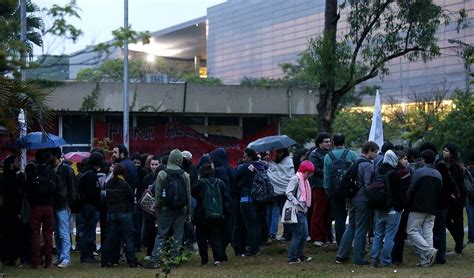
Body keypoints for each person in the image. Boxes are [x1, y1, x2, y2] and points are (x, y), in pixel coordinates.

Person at [145, 149, 192, 269]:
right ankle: (174, 259)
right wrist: (189, 212)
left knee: (161, 234)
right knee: (178, 234)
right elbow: (188, 195)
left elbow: (158, 194)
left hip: (165, 208)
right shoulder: (185, 175)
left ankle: (155, 259)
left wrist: (158, 208)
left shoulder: (162, 174)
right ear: (180, 160)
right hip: (181, 208)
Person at [335, 141, 378, 265]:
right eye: (375, 151)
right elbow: (367, 185)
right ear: (369, 151)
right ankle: (358, 258)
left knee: (351, 227)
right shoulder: (367, 165)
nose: (376, 154)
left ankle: (341, 255)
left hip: (352, 198)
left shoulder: (356, 161)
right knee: (361, 228)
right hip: (362, 200)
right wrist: (373, 197)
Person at [406, 150, 442, 267]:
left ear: (423, 159)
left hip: (418, 207)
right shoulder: (438, 174)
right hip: (433, 208)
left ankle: (429, 252)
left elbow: (411, 188)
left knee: (411, 231)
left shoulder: (419, 172)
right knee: (428, 233)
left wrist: (407, 202)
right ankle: (425, 261)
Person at [100, 163, 141, 268]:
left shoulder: (108, 183)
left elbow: (104, 196)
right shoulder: (124, 184)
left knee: (110, 237)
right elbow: (131, 197)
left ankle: (105, 260)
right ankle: (132, 260)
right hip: (124, 212)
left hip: (111, 213)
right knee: (128, 237)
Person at [25, 149, 59, 269]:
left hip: (35, 206)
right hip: (49, 206)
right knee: (48, 234)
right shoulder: (52, 173)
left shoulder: (33, 173)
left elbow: (27, 189)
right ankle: (48, 261)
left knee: (35, 233)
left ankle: (36, 261)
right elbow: (56, 189)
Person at [370, 150, 404, 267]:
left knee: (378, 234)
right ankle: (386, 261)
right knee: (389, 235)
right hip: (392, 209)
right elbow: (399, 193)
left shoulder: (377, 171)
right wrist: (400, 207)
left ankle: (374, 258)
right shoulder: (394, 173)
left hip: (378, 208)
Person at [192, 163, 229, 266]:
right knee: (216, 237)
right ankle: (217, 259)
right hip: (217, 215)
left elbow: (192, 192)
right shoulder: (220, 182)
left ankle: (204, 260)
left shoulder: (201, 183)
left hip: (202, 215)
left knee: (201, 238)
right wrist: (225, 213)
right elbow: (225, 198)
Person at [323, 134, 358, 245]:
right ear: (344, 142)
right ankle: (352, 242)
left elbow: (327, 176)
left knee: (339, 218)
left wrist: (327, 190)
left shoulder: (328, 156)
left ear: (333, 142)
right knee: (353, 218)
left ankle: (340, 243)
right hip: (350, 191)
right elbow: (357, 172)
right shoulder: (352, 154)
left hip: (335, 191)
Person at [234, 148, 266, 256]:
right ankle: (257, 245)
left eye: (244, 157)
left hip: (246, 199)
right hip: (259, 198)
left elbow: (235, 175)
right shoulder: (261, 166)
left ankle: (252, 248)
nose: (243, 159)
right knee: (256, 224)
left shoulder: (244, 167)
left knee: (250, 225)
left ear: (250, 157)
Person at [50, 148, 76, 268]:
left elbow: (71, 187)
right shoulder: (50, 169)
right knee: (57, 232)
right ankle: (61, 256)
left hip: (63, 204)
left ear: (55, 156)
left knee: (64, 232)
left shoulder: (66, 169)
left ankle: (66, 257)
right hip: (54, 204)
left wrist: (71, 203)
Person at [286, 160, 315, 264]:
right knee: (298, 234)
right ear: (303, 171)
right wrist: (296, 202)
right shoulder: (296, 179)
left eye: (311, 173)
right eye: (308, 173)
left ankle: (299, 254)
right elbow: (288, 192)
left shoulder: (305, 181)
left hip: (303, 210)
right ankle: (292, 257)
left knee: (304, 234)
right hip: (297, 210)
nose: (309, 175)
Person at [78, 152, 104, 264]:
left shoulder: (85, 173)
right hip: (91, 206)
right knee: (89, 231)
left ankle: (86, 254)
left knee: (87, 230)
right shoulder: (91, 175)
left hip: (85, 205)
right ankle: (86, 255)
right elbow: (92, 192)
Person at [308, 132, 332, 246]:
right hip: (319, 186)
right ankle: (316, 237)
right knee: (318, 211)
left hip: (328, 186)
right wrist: (327, 173)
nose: (328, 143)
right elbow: (313, 168)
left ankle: (326, 236)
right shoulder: (314, 154)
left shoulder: (330, 153)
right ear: (319, 143)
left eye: (329, 141)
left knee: (328, 213)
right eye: (326, 142)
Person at [442, 143, 466, 255]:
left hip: (456, 198)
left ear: (452, 153)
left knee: (456, 221)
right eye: (444, 150)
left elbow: (455, 184)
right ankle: (459, 243)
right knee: (453, 220)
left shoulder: (455, 166)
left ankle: (458, 246)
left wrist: (453, 195)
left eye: (446, 151)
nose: (444, 152)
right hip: (455, 197)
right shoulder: (454, 164)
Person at [391, 150, 414, 265]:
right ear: (398, 159)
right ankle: (397, 258)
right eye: (404, 159)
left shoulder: (388, 170)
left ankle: (390, 256)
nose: (407, 161)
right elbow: (407, 191)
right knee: (399, 233)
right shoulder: (404, 173)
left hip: (391, 205)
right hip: (402, 206)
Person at [267, 148, 295, 241]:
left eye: (279, 152)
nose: (278, 154)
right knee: (283, 213)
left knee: (286, 213)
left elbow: (288, 174)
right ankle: (286, 234)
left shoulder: (288, 161)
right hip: (280, 192)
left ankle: (288, 234)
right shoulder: (278, 161)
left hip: (286, 191)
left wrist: (274, 165)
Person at [0, 155, 22, 266]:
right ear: (11, 164)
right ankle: (11, 257)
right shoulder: (13, 179)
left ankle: (5, 257)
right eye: (17, 162)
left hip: (4, 211)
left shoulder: (3, 177)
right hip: (12, 211)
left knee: (5, 234)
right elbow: (15, 197)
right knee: (13, 234)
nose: (18, 164)